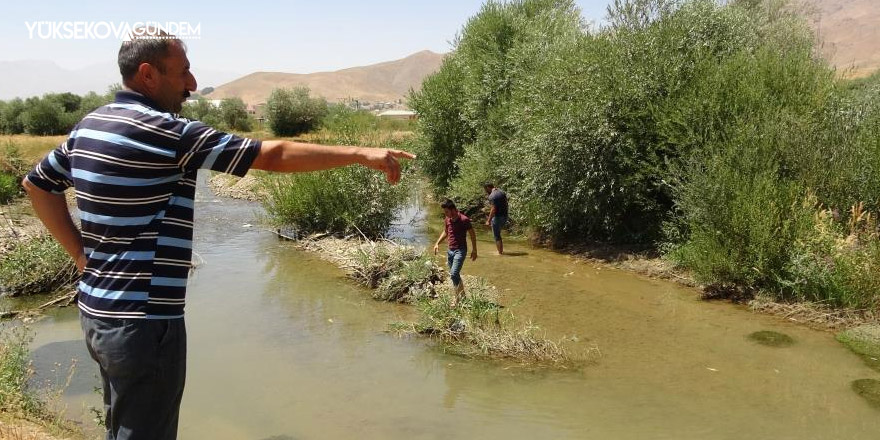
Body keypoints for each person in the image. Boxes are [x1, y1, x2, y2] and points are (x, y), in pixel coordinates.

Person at [22, 28, 413, 440]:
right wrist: (359, 153)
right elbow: (271, 155)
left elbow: (38, 185)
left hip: (98, 313)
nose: (191, 84)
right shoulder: (169, 133)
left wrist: (83, 259)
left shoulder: (90, 126)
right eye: (184, 72)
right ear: (148, 75)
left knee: (123, 426)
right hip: (146, 323)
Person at [432, 199, 477, 306]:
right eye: (445, 212)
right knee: (455, 275)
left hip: (460, 251)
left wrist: (474, 250)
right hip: (450, 250)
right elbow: (446, 232)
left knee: (453, 273)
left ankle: (457, 299)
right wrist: (437, 243)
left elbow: (472, 234)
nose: (446, 214)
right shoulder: (448, 219)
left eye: (447, 212)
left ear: (453, 210)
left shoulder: (464, 220)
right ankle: (463, 297)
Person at [482, 182, 508, 255]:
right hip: (505, 216)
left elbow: (493, 209)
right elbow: (506, 204)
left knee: (496, 235)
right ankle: (501, 251)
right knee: (498, 234)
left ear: (488, 188)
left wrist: (488, 220)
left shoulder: (492, 196)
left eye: (485, 190)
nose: (486, 192)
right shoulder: (502, 192)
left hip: (497, 217)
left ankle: (500, 253)